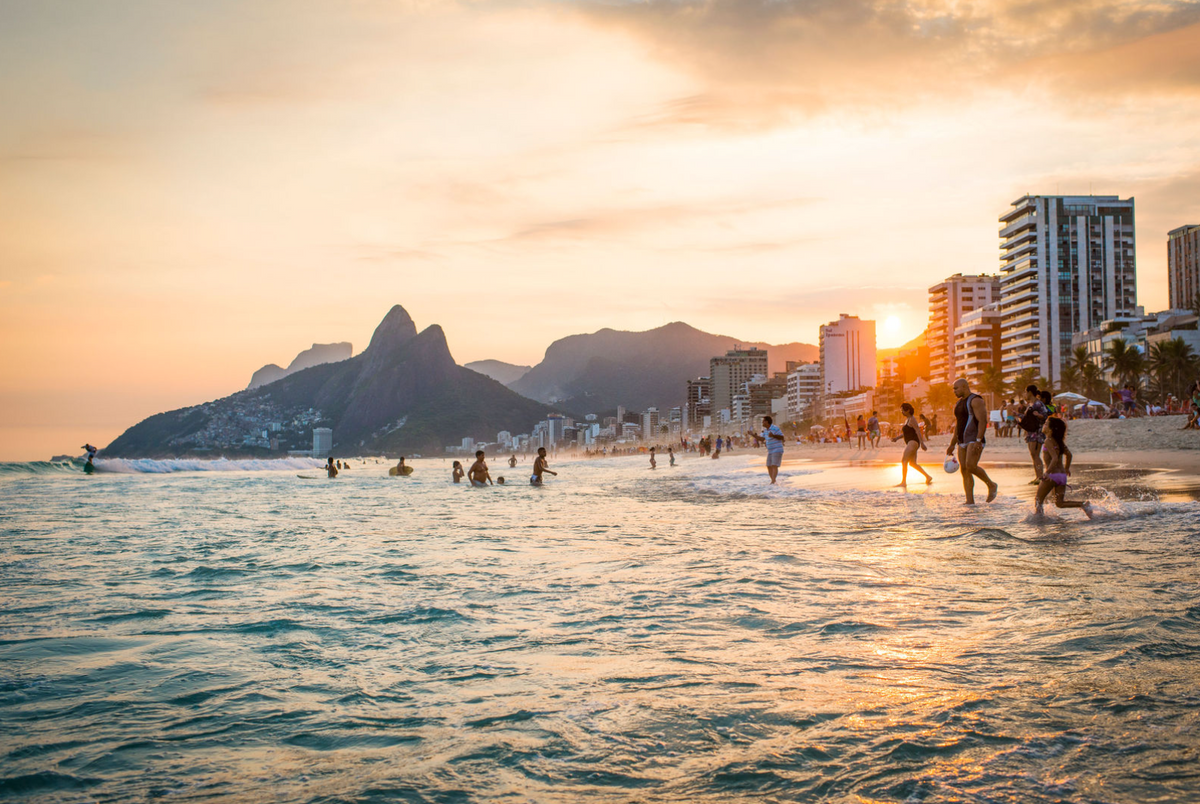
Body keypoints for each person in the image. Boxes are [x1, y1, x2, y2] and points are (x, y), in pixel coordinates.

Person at [946, 377, 998, 504]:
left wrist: (979, 440)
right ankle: (970, 501)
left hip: (974, 438)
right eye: (953, 389)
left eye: (956, 388)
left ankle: (991, 485)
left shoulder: (976, 400)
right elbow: (958, 425)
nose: (954, 391)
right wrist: (952, 444)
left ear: (964, 386)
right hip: (962, 440)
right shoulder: (958, 404)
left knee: (971, 466)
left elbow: (983, 421)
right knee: (964, 470)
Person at [1035, 417, 1094, 519]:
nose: (1043, 425)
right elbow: (1069, 455)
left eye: (1045, 424)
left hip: (1052, 476)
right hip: (1062, 476)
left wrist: (1047, 472)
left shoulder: (1048, 441)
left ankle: (1039, 520)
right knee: (1060, 503)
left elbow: (1054, 458)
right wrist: (1066, 469)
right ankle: (1083, 504)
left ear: (1051, 429)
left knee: (1038, 500)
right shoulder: (1059, 442)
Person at [892, 402, 932, 486]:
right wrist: (897, 438)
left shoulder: (912, 419)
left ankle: (903, 482)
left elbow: (917, 430)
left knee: (904, 461)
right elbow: (906, 433)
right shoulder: (908, 420)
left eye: (903, 410)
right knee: (912, 463)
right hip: (911, 442)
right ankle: (928, 477)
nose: (902, 412)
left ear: (908, 410)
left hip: (913, 442)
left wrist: (922, 443)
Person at [1020, 384, 1048, 483]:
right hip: (1030, 432)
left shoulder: (1038, 404)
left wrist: (1038, 415)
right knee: (1033, 454)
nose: (1024, 394)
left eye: (1025, 392)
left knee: (1035, 454)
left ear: (1030, 392)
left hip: (1037, 431)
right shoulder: (1030, 404)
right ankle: (1038, 476)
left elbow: (1045, 416)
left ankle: (1040, 477)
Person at [761, 415, 785, 484]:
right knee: (769, 465)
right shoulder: (765, 431)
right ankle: (773, 480)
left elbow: (782, 437)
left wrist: (773, 435)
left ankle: (773, 481)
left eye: (763, 421)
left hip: (777, 449)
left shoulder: (775, 428)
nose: (762, 423)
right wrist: (753, 435)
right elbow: (762, 439)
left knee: (774, 465)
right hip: (770, 451)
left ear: (767, 422)